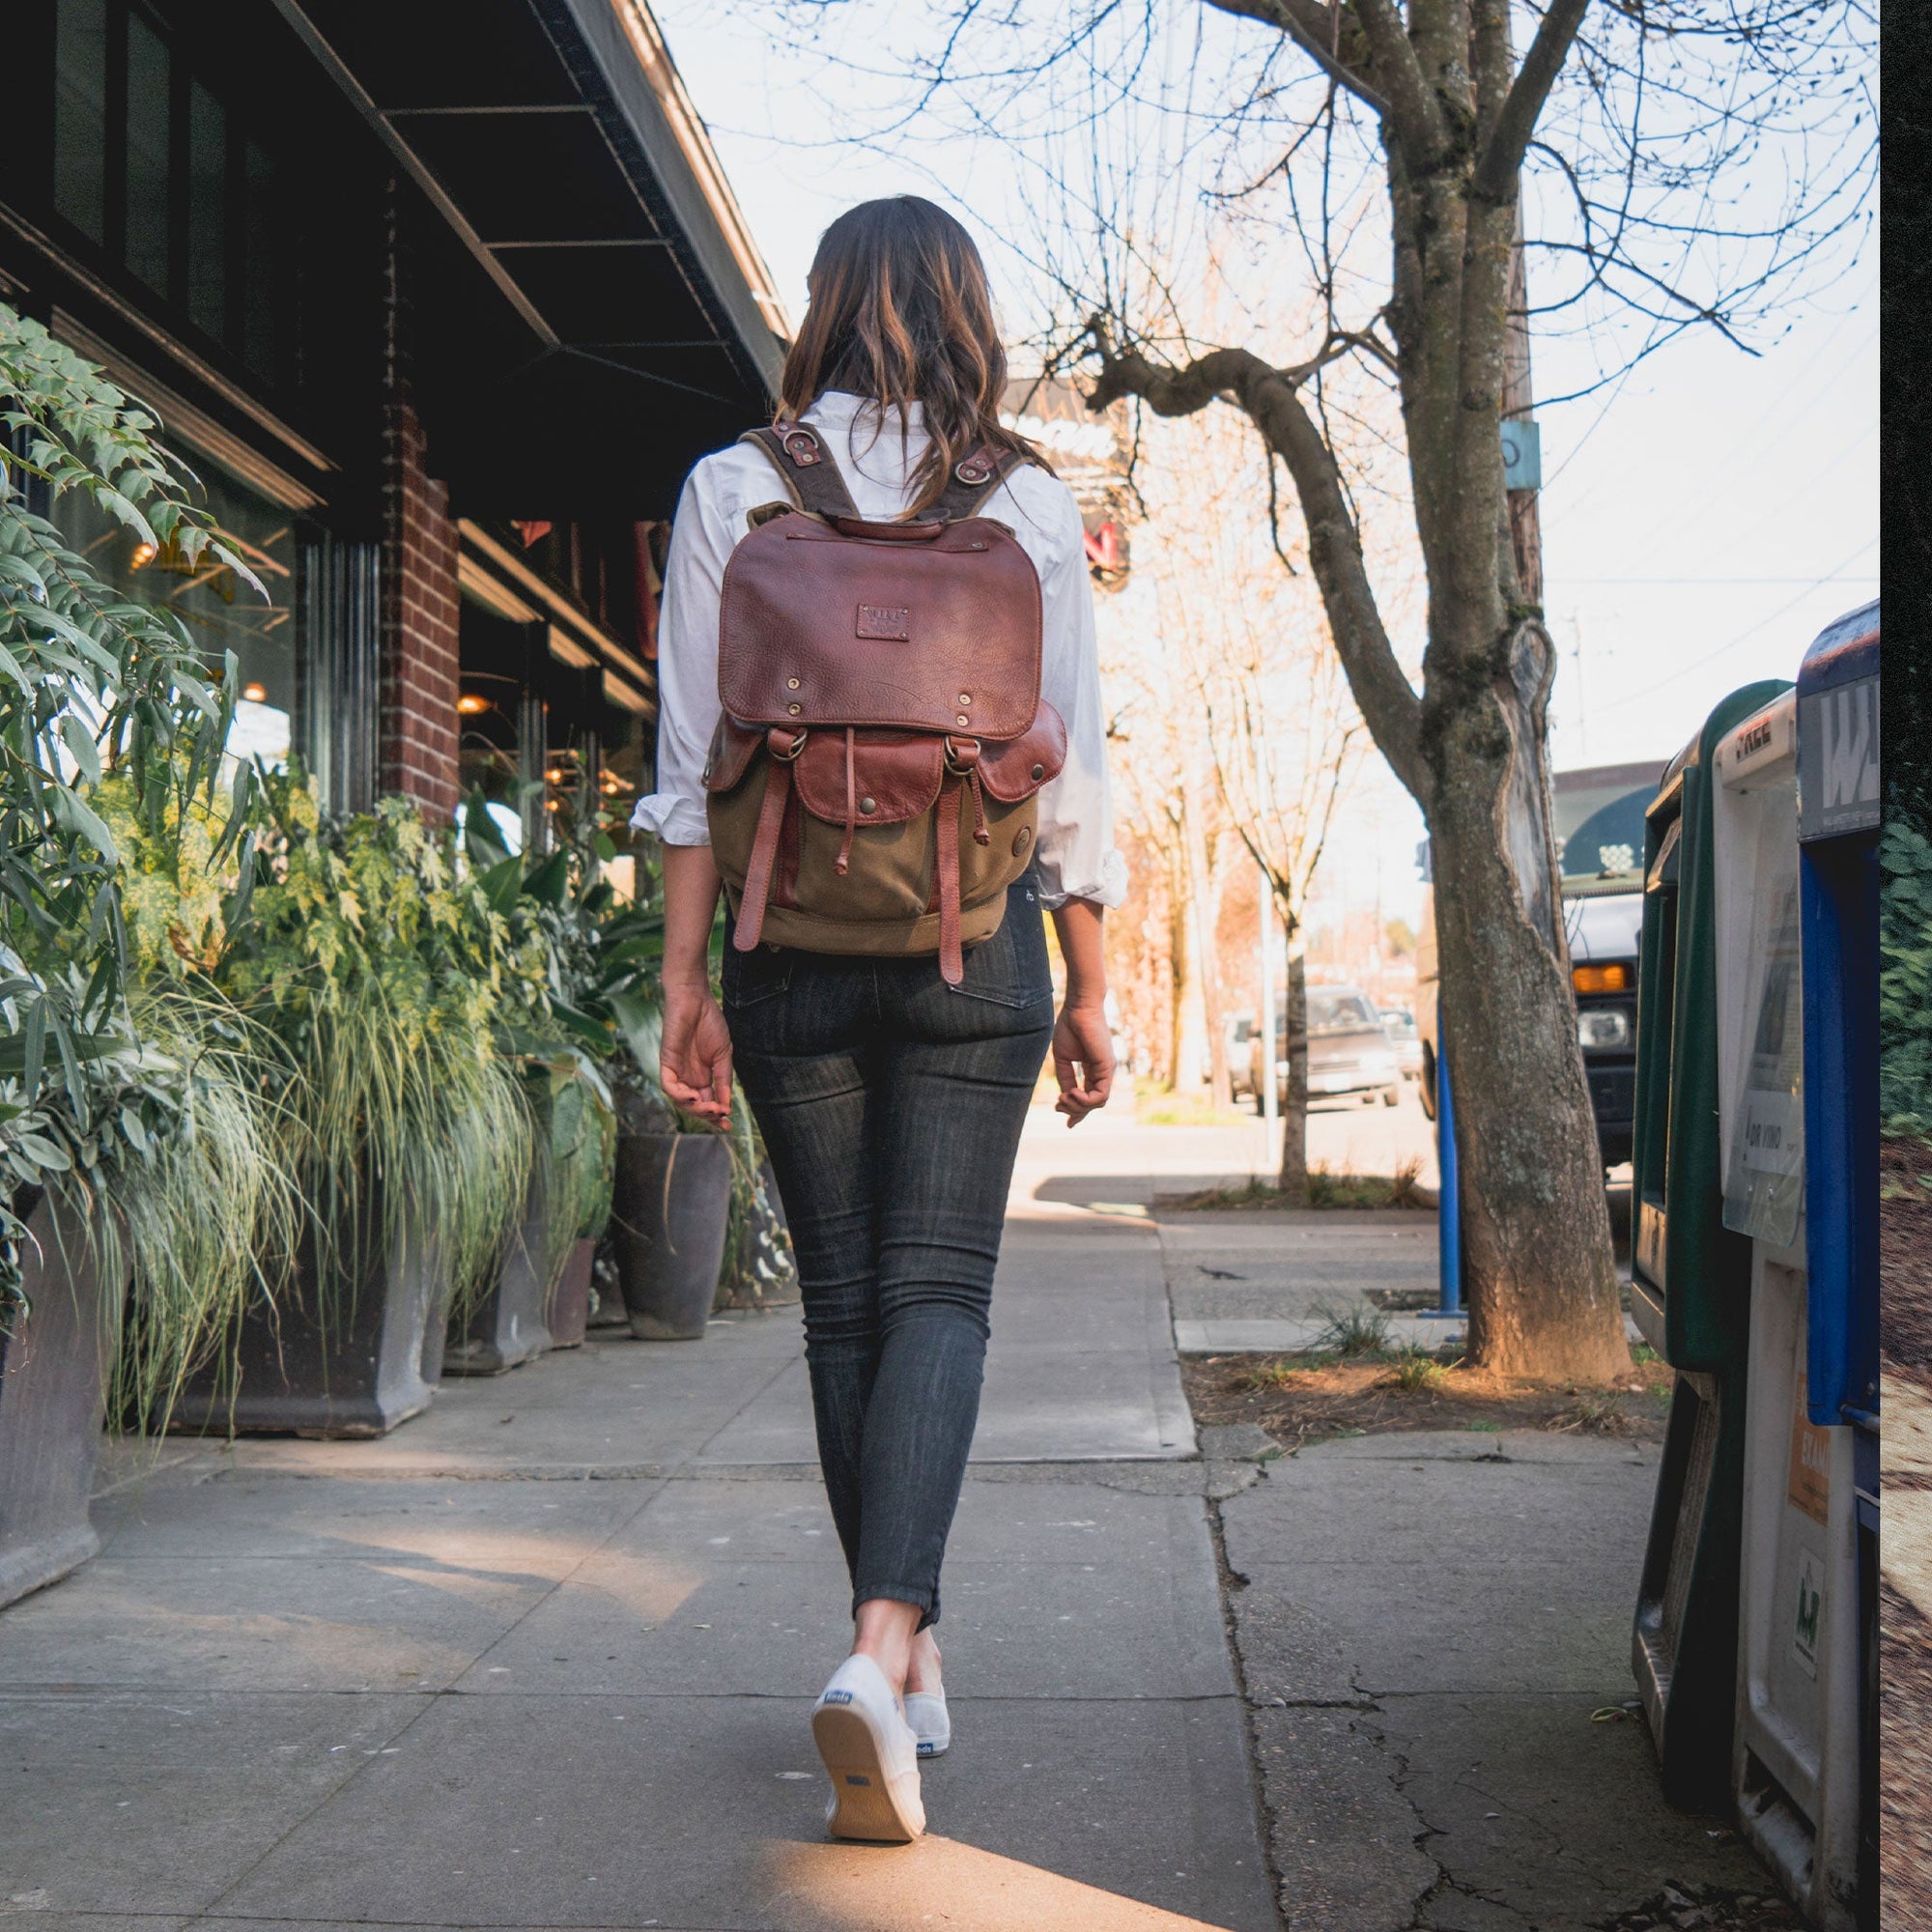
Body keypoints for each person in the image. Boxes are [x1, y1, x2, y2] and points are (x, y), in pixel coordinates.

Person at [635, 194, 1126, 1842]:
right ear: (966, 316)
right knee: (942, 1296)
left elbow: (690, 779)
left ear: (826, 310)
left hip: (785, 939)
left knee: (846, 1307)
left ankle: (888, 1657)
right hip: (971, 942)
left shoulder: (731, 486)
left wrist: (685, 986)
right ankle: (887, 1648)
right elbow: (1083, 782)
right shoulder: (1031, 503)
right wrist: (1095, 986)